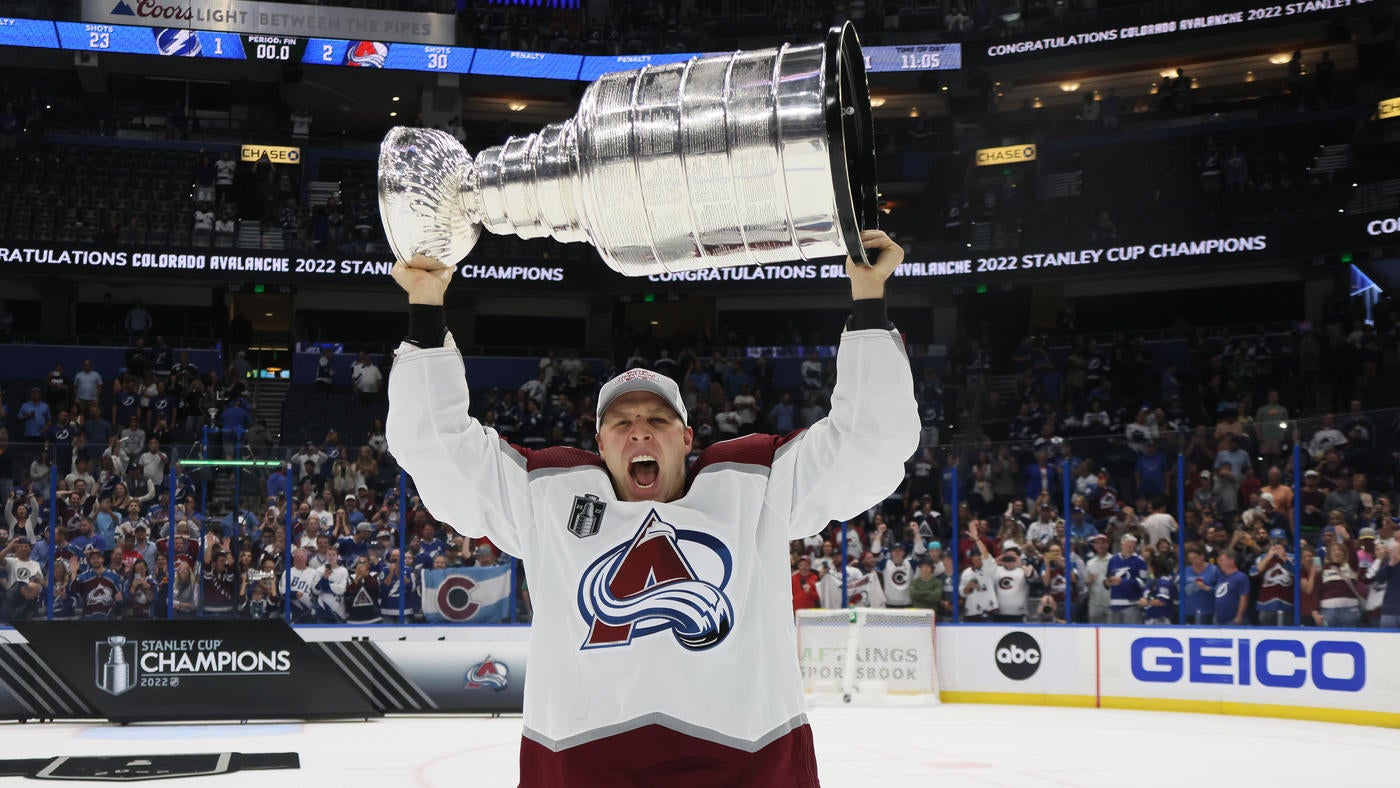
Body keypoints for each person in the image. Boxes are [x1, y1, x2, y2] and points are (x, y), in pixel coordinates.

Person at [385, 231, 917, 786]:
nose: (639, 430)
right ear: (601, 444)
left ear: (688, 438)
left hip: (743, 766)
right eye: (622, 422)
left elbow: (869, 444)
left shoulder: (753, 485)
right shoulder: (547, 495)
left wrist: (869, 299)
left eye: (657, 420)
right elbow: (438, 451)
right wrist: (425, 308)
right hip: (586, 769)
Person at [1105, 534, 1147, 624]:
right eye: (1128, 546)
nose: (1131, 549)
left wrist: (1122, 582)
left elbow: (1142, 583)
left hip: (1131, 604)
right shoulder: (1113, 559)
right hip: (1114, 603)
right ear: (1121, 545)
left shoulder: (1140, 561)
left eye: (1133, 547)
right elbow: (1108, 577)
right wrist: (1107, 583)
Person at [1213, 550, 1250, 626]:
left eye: (1222, 560)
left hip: (1233, 620)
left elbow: (1244, 598)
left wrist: (1239, 616)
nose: (1219, 563)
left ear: (1231, 561)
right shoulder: (1222, 577)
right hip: (1218, 619)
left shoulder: (1241, 577)